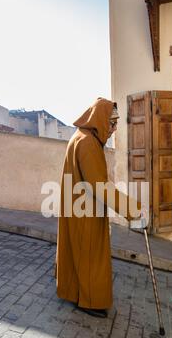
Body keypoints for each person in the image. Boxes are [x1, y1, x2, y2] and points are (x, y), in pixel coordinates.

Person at [55, 98, 141, 318]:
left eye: (115, 124)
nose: (113, 130)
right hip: (85, 210)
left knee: (79, 253)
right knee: (91, 255)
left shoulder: (82, 137)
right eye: (111, 124)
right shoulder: (87, 143)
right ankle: (90, 301)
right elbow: (99, 185)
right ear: (100, 120)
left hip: (78, 207)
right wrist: (133, 209)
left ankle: (76, 292)